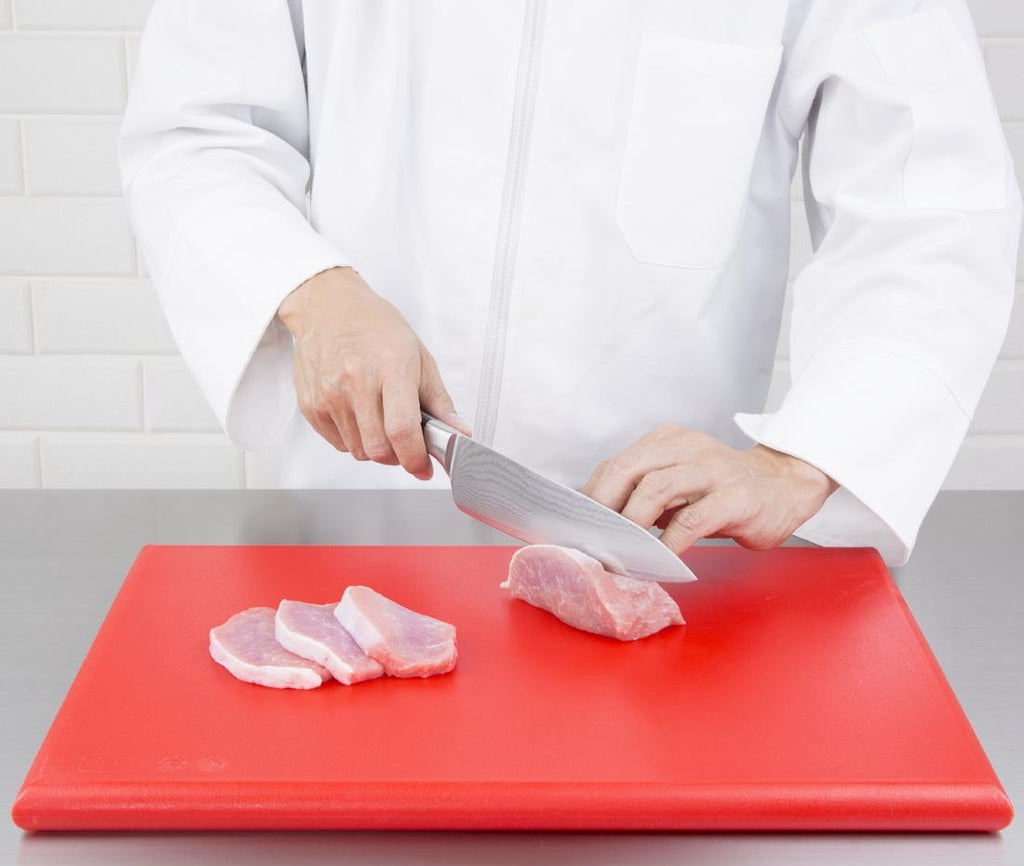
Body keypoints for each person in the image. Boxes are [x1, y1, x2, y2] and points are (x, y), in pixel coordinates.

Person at [119, 0, 1020, 566]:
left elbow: (930, 208)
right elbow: (200, 128)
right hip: (354, 532)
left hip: (658, 556)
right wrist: (314, 291)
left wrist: (802, 460)